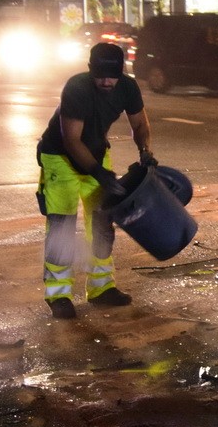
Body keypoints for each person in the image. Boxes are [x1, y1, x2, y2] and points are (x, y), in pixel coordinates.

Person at [36, 43, 156, 319]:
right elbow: (71, 140)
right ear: (90, 69)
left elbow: (139, 124)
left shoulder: (127, 87)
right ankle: (59, 294)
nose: (106, 81)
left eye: (112, 76)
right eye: (100, 75)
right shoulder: (77, 88)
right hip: (60, 158)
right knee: (62, 225)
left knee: (102, 223)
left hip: (96, 153)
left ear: (121, 72)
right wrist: (98, 173)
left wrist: (145, 152)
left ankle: (101, 288)